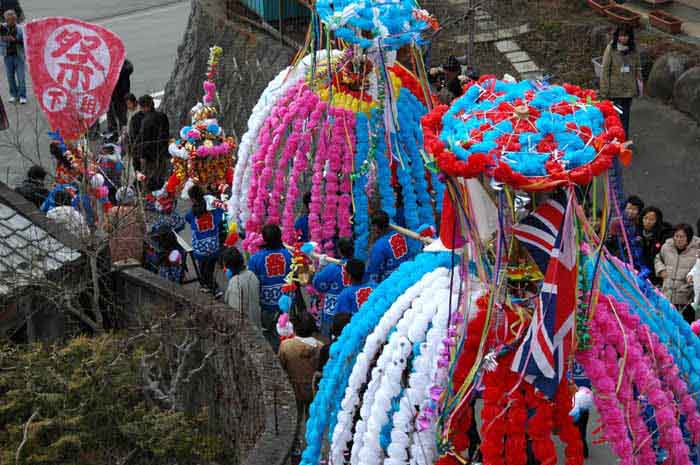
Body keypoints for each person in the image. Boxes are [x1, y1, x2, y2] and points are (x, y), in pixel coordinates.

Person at [278, 311, 323, 443]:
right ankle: (311, 446)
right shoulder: (320, 347)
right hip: (314, 388)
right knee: (312, 419)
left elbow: (280, 367)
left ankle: (295, 445)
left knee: (294, 420)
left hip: (293, 387)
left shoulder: (286, 346)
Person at [249, 224, 293, 348]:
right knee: (286, 330)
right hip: (286, 302)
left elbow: (253, 280)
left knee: (270, 333)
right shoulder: (289, 255)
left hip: (267, 303)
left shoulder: (255, 258)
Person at [600, 25, 641, 137]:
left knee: (626, 116)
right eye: (621, 35)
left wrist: (639, 87)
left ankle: (624, 138)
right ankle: (615, 139)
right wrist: (604, 90)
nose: (623, 38)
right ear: (617, 36)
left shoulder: (633, 49)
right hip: (615, 90)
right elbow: (605, 70)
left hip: (628, 90)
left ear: (630, 37)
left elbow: (638, 68)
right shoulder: (611, 48)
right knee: (616, 116)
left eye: (626, 36)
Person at [655, 224, 700, 321]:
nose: (679, 239)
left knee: (685, 325)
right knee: (667, 323)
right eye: (676, 236)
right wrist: (661, 270)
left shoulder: (696, 250)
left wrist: (693, 277)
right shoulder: (667, 247)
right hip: (667, 293)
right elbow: (658, 258)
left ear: (688, 237)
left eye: (682, 237)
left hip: (686, 296)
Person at [185, 185, 224, 296]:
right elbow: (222, 210)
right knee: (209, 268)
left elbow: (187, 219)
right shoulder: (213, 210)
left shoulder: (192, 213)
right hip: (213, 245)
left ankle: (213, 288)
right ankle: (208, 285)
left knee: (203, 268)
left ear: (192, 199)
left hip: (200, 247)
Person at [312, 237, 354, 336]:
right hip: (352, 311)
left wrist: (321, 267)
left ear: (339, 251)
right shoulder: (359, 266)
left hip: (333, 313)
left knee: (330, 342)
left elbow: (317, 284)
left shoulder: (332, 268)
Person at [221, 247, 261, 330]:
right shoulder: (251, 275)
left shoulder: (235, 282)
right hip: (256, 319)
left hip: (245, 328)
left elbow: (235, 311)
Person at [367, 210, 410, 283]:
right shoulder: (400, 234)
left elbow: (373, 271)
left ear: (376, 227)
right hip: (407, 274)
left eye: (372, 225)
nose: (371, 228)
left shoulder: (379, 246)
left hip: (392, 282)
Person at [135, 94, 169, 185]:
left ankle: (150, 197)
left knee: (149, 180)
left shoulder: (146, 121)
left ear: (146, 107)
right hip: (162, 152)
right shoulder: (163, 116)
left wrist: (141, 155)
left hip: (150, 156)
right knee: (161, 177)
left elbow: (143, 140)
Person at [105, 187, 145, 264]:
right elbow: (144, 229)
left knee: (118, 267)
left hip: (118, 249)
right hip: (135, 249)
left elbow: (108, 229)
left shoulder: (113, 211)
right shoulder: (137, 211)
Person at [638, 206, 671, 285]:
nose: (648, 221)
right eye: (645, 218)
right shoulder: (637, 233)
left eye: (651, 219)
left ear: (657, 221)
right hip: (641, 274)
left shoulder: (664, 235)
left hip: (658, 276)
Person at [0, 10, 25, 104]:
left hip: (19, 56)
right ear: (5, 20)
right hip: (7, 56)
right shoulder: (2, 27)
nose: (10, 21)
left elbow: (25, 42)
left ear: (15, 19)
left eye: (12, 19)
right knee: (10, 77)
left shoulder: (21, 28)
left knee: (21, 77)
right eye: (8, 20)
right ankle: (13, 95)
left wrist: (14, 40)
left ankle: (22, 96)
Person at [107, 59, 133, 135]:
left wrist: (117, 71)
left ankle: (124, 131)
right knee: (111, 113)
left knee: (122, 114)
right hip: (112, 94)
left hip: (122, 94)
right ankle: (112, 131)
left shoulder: (123, 64)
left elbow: (129, 69)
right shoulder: (108, 63)